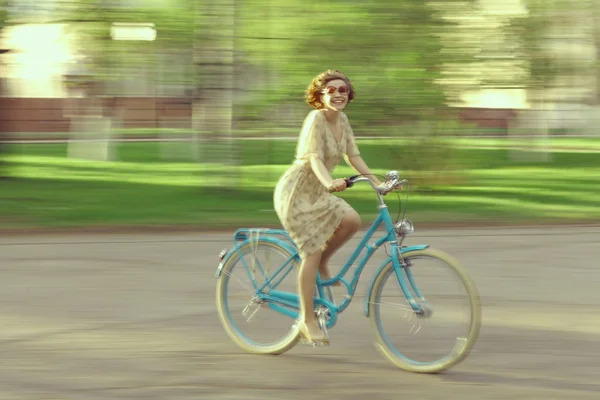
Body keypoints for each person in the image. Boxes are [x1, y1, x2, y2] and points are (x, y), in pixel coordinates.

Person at [273, 69, 382, 345]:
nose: (337, 95)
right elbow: (313, 158)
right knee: (310, 251)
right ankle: (306, 320)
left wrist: (376, 182)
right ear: (320, 96)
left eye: (342, 90)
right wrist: (329, 181)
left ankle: (323, 260)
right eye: (331, 90)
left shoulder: (343, 120)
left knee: (352, 221)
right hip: (297, 193)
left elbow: (352, 154)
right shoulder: (315, 119)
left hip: (319, 191)